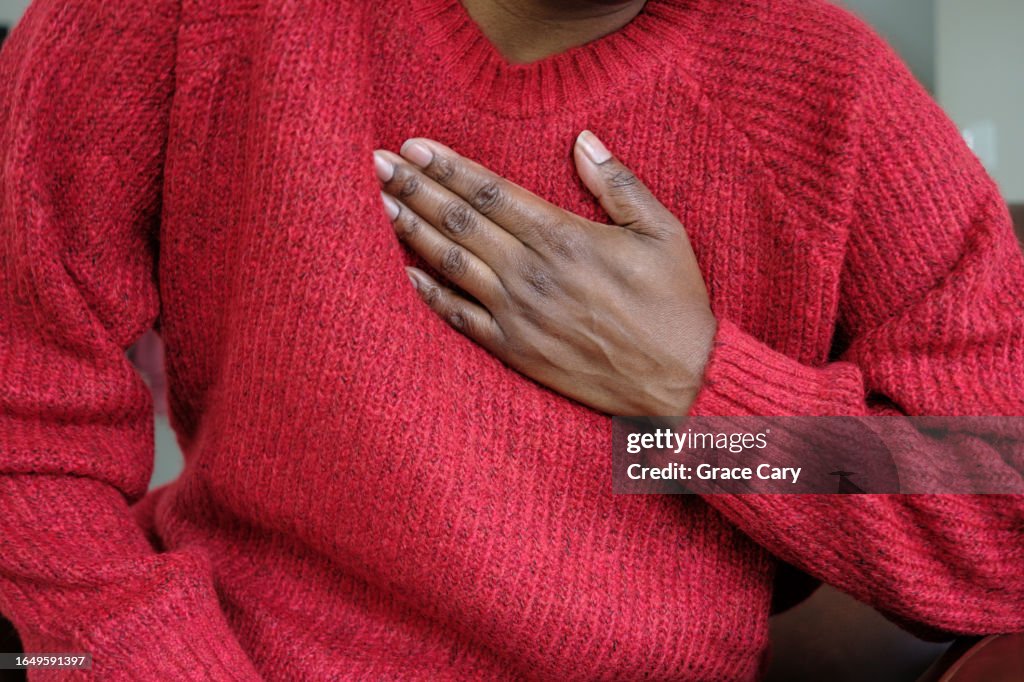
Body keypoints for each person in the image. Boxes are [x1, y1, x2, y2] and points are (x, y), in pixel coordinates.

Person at [0, 0, 1021, 679]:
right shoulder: (184, 19)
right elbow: (24, 436)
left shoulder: (829, 89)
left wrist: (694, 399)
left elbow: (998, 502)